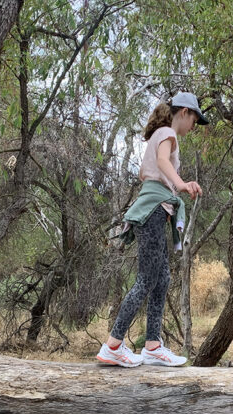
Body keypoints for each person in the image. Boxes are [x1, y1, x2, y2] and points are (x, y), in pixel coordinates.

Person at [97, 92, 209, 367]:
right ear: (184, 112)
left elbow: (146, 173)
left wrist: (168, 203)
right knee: (147, 279)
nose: (194, 126)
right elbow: (161, 164)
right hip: (152, 209)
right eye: (195, 119)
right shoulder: (167, 134)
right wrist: (181, 185)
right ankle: (113, 345)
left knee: (162, 278)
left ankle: (152, 345)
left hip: (157, 209)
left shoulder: (160, 135)